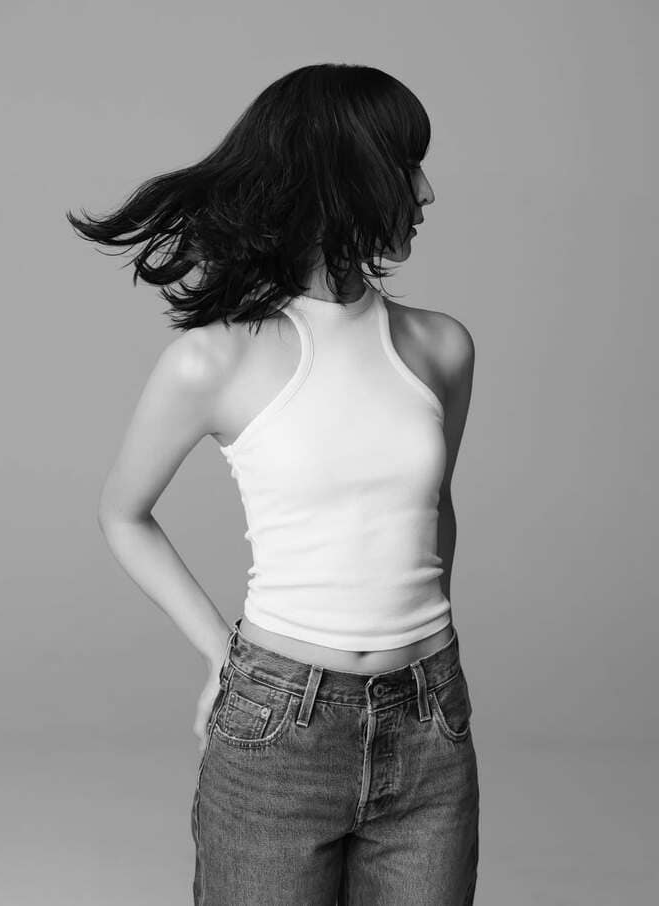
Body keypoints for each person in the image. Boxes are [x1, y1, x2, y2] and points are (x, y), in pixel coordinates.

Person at [67, 62, 478, 906]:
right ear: (344, 176)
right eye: (407, 164)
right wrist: (225, 657)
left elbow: (434, 510)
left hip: (430, 725)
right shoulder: (214, 360)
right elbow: (123, 514)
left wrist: (416, 662)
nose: (428, 191)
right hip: (280, 731)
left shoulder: (441, 348)